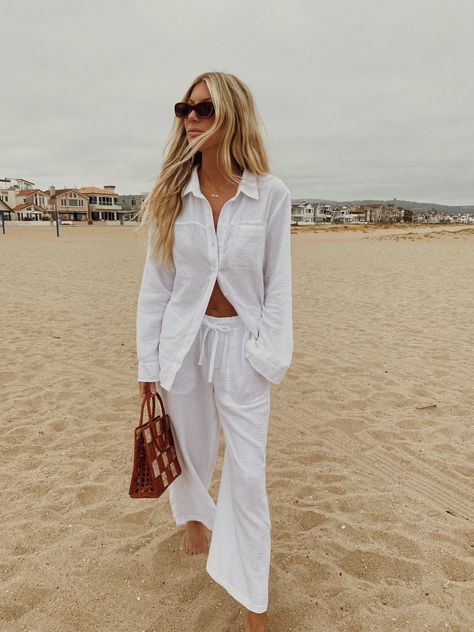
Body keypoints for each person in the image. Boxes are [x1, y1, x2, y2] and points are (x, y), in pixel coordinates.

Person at [135, 71, 293, 632]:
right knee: (189, 446)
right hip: (185, 341)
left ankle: (253, 603)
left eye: (202, 109)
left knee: (247, 476)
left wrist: (268, 355)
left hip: (243, 347)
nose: (191, 119)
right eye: (184, 110)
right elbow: (157, 286)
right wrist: (147, 365)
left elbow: (278, 284)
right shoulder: (172, 196)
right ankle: (195, 520)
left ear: (231, 115)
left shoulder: (270, 194)